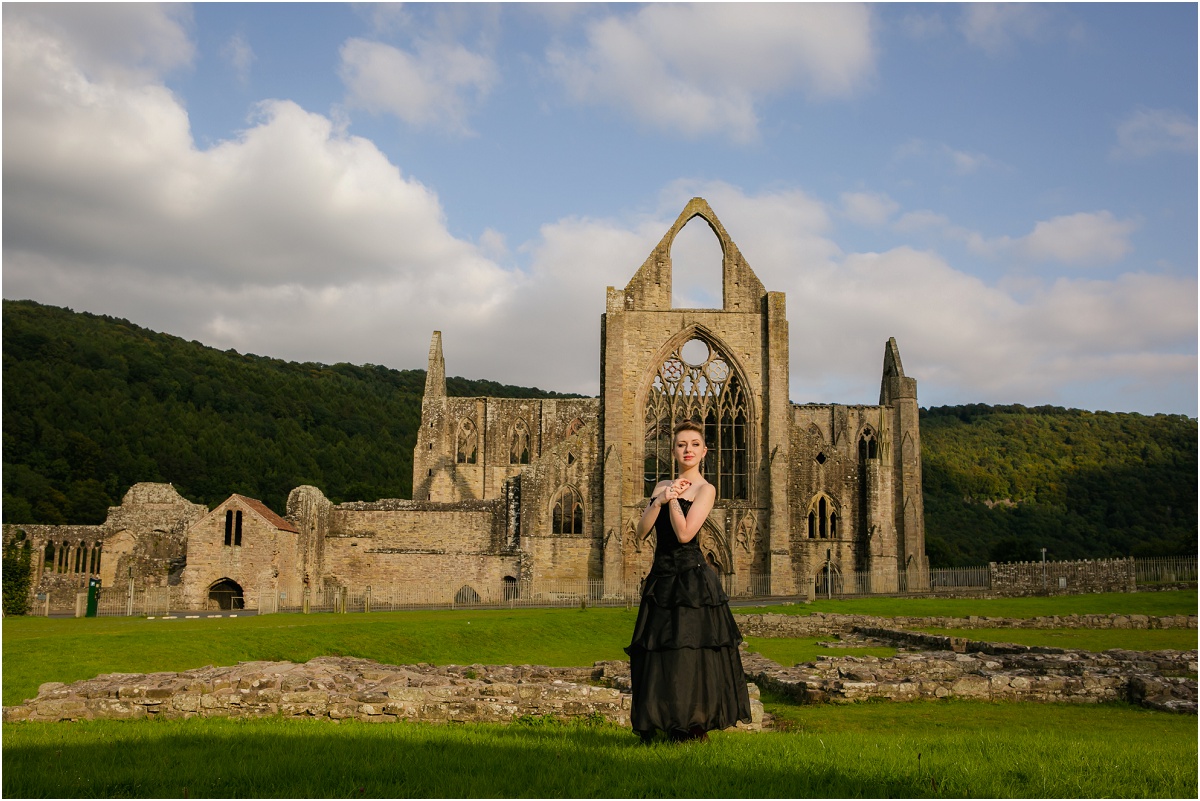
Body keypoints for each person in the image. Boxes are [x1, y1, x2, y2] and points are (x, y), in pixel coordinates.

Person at [625, 419, 752, 743]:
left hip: (692, 580)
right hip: (660, 580)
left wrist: (673, 504)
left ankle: (692, 725)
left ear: (704, 451)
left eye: (694, 444)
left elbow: (684, 534)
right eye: (682, 444)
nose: (688, 450)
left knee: (690, 654)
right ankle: (659, 721)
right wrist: (661, 499)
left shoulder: (706, 490)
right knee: (658, 654)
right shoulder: (661, 487)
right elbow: (641, 532)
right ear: (674, 450)